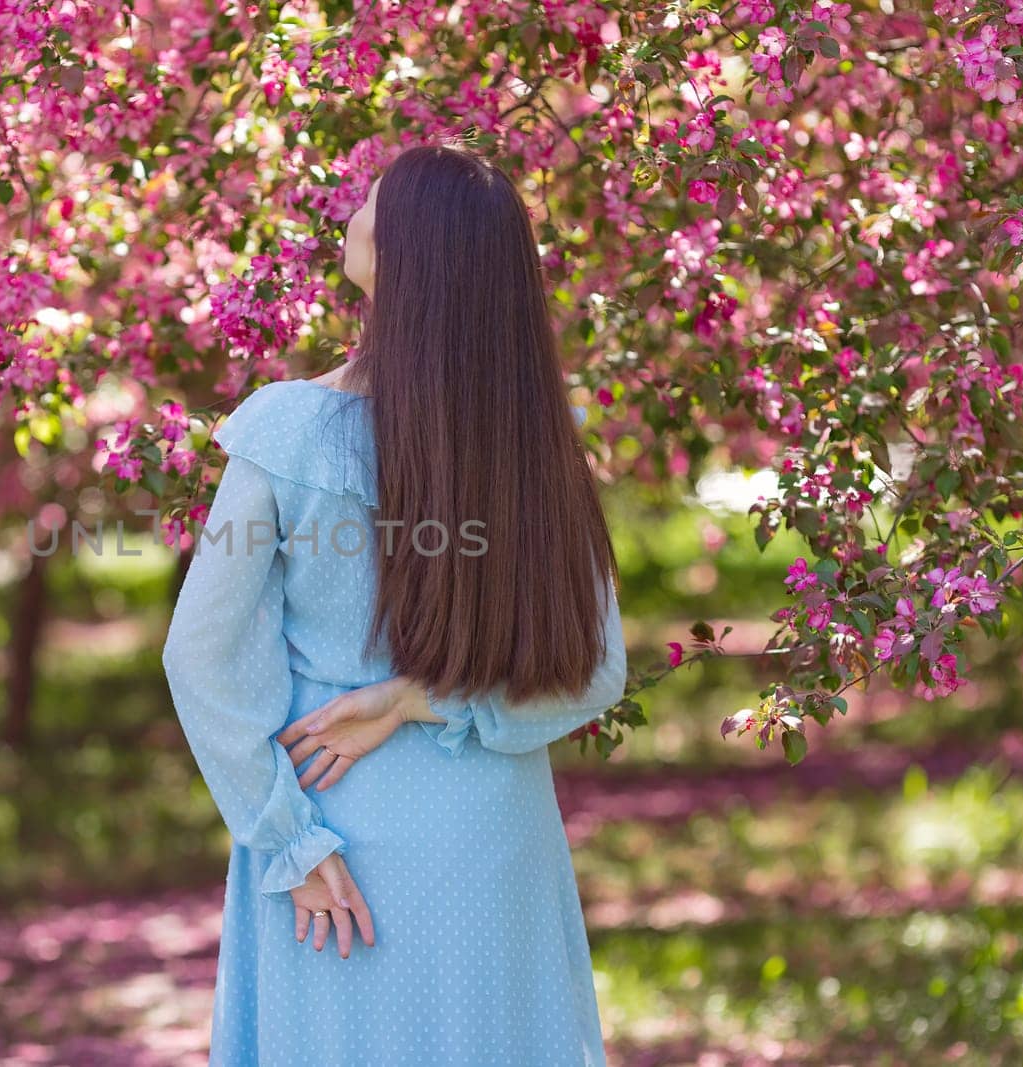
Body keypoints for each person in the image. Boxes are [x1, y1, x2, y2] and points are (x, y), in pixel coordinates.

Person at [161, 142, 628, 1066]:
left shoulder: (287, 430)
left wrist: (286, 841)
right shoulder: (534, 444)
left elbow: (200, 653)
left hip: (332, 835)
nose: (354, 209)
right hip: (493, 838)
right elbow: (596, 671)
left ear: (407, 254)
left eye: (373, 199)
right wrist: (422, 697)